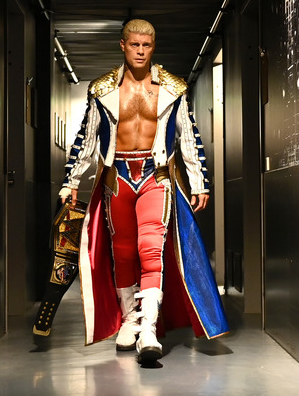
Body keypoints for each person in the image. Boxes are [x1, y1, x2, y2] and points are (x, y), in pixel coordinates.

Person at [59, 19, 228, 363]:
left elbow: (188, 138)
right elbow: (86, 139)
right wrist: (71, 181)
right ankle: (129, 320)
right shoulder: (102, 89)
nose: (140, 51)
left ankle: (149, 327)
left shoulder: (173, 88)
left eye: (146, 46)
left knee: (150, 247)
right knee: (122, 252)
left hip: (156, 175)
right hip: (116, 176)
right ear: (122, 45)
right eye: (134, 45)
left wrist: (199, 182)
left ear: (154, 47)